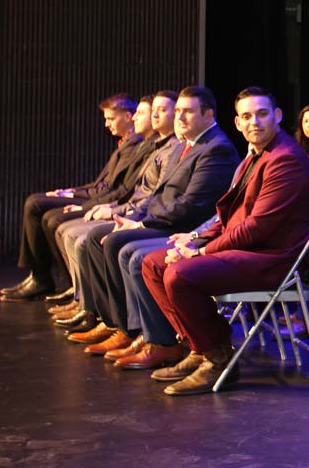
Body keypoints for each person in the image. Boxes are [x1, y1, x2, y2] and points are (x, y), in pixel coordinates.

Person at [141, 86, 309, 395]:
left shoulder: (285, 159)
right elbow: (231, 218)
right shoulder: (254, 156)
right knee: (153, 263)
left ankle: (219, 359)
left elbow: (257, 229)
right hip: (248, 250)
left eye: (263, 114)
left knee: (180, 274)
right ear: (237, 123)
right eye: (247, 116)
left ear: (277, 116)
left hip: (273, 259)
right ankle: (202, 347)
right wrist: (195, 239)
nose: (255, 122)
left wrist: (200, 252)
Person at [65, 86, 238, 347]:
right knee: (97, 237)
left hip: (183, 227)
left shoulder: (217, 149)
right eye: (178, 111)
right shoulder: (188, 144)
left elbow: (191, 206)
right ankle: (116, 321)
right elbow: (158, 194)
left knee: (120, 246)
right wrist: (134, 216)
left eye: (187, 111)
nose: (180, 117)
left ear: (208, 114)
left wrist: (142, 222)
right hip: (164, 219)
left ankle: (151, 336)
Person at [1, 93, 143, 301]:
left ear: (128, 116)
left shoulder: (136, 145)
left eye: (111, 119)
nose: (106, 124)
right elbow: (99, 184)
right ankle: (44, 276)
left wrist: (85, 207)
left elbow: (116, 191)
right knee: (37, 201)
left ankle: (49, 279)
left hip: (100, 201)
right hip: (94, 196)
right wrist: (70, 192)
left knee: (42, 209)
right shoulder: (125, 143)